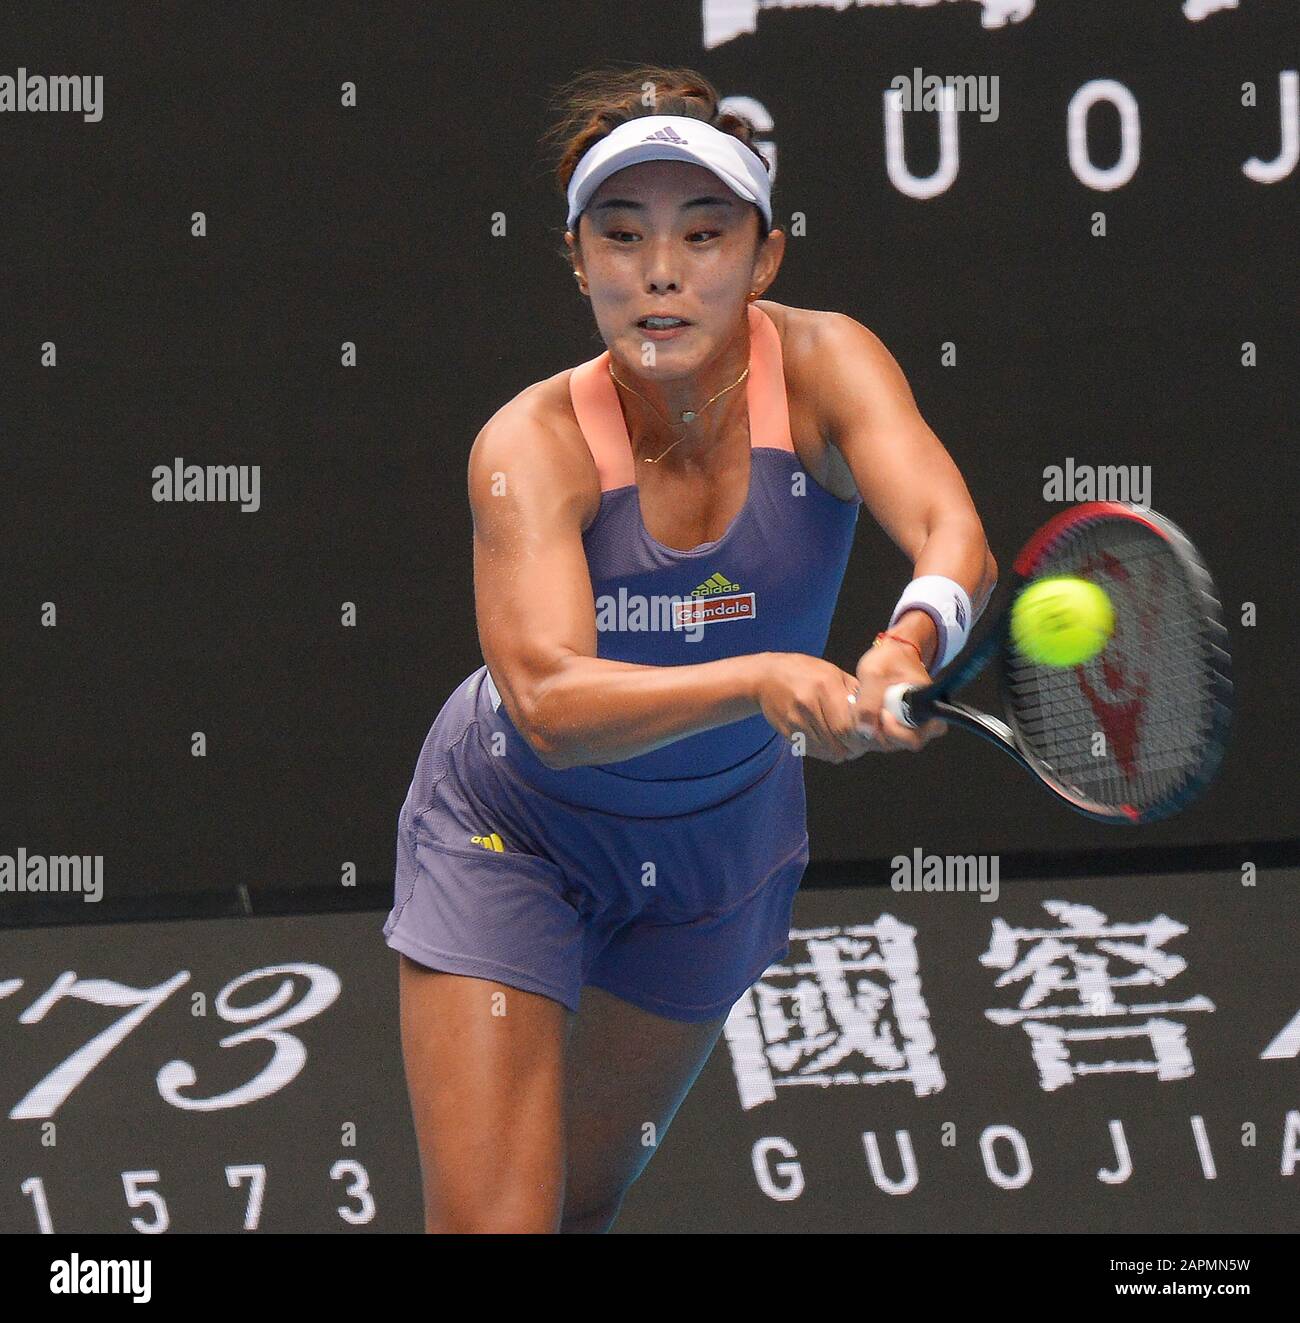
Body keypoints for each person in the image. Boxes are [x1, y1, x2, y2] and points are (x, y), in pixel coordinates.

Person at [384, 64, 997, 1233]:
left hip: (716, 860)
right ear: (577, 260)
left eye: (703, 234)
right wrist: (765, 679)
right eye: (621, 236)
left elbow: (948, 529)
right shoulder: (531, 442)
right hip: (511, 828)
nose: (660, 271)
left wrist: (908, 637)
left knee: (572, 1207)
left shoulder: (825, 366)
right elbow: (550, 701)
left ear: (763, 259)